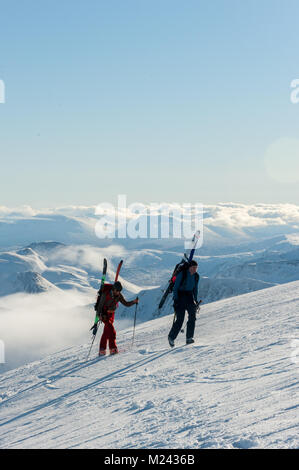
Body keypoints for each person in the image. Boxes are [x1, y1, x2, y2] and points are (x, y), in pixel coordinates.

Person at [92, 281, 138, 355]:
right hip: (104, 315)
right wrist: (99, 315)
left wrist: (134, 302)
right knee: (112, 331)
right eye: (118, 291)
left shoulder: (119, 295)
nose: (119, 292)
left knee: (107, 331)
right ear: (114, 289)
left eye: (119, 291)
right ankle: (113, 348)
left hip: (111, 314)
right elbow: (99, 306)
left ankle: (102, 350)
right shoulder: (105, 294)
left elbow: (126, 303)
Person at [168, 260, 200, 347]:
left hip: (189, 297)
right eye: (193, 268)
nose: (194, 269)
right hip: (180, 296)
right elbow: (175, 288)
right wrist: (176, 300)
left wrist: (196, 300)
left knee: (192, 317)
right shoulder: (182, 274)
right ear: (189, 267)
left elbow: (195, 289)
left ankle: (189, 338)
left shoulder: (196, 276)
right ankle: (171, 337)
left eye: (196, 268)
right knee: (180, 319)